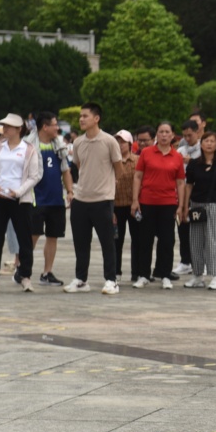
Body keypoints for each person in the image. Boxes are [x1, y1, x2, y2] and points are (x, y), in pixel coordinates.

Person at [63, 102, 122, 295]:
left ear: (96, 118)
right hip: (81, 199)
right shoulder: (78, 142)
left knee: (107, 242)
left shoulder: (109, 141)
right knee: (81, 242)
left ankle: (111, 280)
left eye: (85, 116)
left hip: (103, 199)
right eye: (80, 116)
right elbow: (79, 167)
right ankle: (81, 280)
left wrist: (106, 187)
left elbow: (118, 169)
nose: (81, 119)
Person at [0, 113, 42, 292]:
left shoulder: (29, 149)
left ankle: (25, 276)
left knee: (24, 238)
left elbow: (35, 176)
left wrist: (19, 191)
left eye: (8, 126)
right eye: (4, 126)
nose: (5, 129)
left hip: (20, 200)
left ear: (18, 129)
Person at [131, 122, 186, 289]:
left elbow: (181, 183)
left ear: (172, 136)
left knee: (167, 241)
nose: (163, 135)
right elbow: (138, 177)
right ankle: (143, 275)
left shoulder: (177, 156)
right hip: (147, 202)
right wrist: (135, 200)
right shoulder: (146, 153)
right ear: (157, 135)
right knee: (145, 240)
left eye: (167, 132)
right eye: (161, 132)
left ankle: (164, 274)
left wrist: (181, 206)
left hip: (168, 203)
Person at [181, 131, 216, 290]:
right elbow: (189, 185)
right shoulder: (194, 164)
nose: (209, 143)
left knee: (213, 241)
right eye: (206, 141)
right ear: (201, 144)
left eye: (212, 141)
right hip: (196, 205)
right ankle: (197, 275)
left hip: (214, 205)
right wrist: (184, 206)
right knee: (195, 240)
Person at [28, 112, 73, 287]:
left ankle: (47, 272)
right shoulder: (29, 146)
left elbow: (66, 170)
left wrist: (70, 191)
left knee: (53, 236)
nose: (57, 128)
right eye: (54, 124)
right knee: (32, 235)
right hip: (35, 199)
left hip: (56, 199)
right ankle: (22, 268)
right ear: (45, 127)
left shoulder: (59, 146)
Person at [173, 118, 203, 276]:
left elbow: (211, 168)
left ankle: (200, 261)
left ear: (197, 132)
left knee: (198, 228)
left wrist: (191, 162)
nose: (187, 138)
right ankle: (185, 261)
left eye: (190, 135)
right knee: (181, 227)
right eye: (184, 135)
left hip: (198, 196)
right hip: (180, 196)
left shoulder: (205, 150)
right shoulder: (179, 152)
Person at [113, 130, 139, 282]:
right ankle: (116, 272)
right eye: (117, 141)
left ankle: (136, 272)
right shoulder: (111, 161)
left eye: (122, 142)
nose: (120, 145)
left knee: (137, 240)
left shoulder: (138, 160)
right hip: (116, 207)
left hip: (134, 206)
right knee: (116, 240)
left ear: (129, 144)